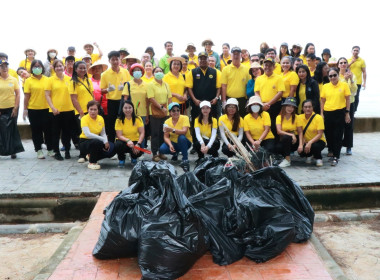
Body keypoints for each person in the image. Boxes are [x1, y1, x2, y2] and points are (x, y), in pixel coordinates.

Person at [45, 60, 75, 160]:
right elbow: (47, 95)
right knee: (55, 133)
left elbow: (73, 95)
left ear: (64, 67)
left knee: (67, 132)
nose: (59, 68)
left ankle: (67, 150)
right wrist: (52, 107)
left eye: (61, 66)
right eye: (57, 66)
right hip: (55, 111)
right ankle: (56, 152)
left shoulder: (69, 79)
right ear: (53, 68)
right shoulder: (50, 80)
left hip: (69, 109)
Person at [23, 60, 53, 158]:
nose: (37, 68)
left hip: (46, 109)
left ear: (42, 68)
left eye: (39, 66)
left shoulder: (47, 79)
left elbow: (51, 94)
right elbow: (26, 96)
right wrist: (25, 109)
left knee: (48, 130)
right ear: (31, 68)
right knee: (36, 131)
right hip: (33, 109)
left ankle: (50, 149)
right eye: (35, 66)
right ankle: (38, 150)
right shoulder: (28, 80)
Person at [320, 68, 351, 166]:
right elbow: (322, 101)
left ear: (338, 75)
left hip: (340, 112)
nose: (333, 77)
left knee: (338, 135)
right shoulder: (325, 86)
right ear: (328, 77)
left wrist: (347, 113)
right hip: (328, 113)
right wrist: (322, 113)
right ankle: (332, 151)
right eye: (330, 76)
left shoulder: (344, 85)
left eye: (334, 75)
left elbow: (348, 99)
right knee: (329, 135)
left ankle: (336, 156)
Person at [100, 51, 131, 143]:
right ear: (109, 61)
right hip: (112, 101)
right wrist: (108, 89)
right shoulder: (105, 74)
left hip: (124, 100)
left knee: (125, 122)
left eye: (116, 59)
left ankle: (125, 144)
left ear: (120, 60)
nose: (115, 61)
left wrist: (125, 88)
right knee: (112, 124)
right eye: (112, 59)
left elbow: (129, 86)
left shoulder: (125, 72)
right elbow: (102, 90)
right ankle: (112, 146)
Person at [254, 57, 285, 138]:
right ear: (263, 66)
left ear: (274, 66)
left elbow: (280, 92)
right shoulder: (259, 78)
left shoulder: (279, 78)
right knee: (263, 124)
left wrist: (268, 104)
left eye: (270, 65)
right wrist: (261, 103)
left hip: (275, 105)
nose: (267, 67)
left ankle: (275, 143)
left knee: (274, 124)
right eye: (265, 65)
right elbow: (256, 92)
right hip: (262, 105)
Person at [79, 100, 113, 170]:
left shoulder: (100, 118)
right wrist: (103, 140)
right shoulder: (84, 119)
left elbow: (103, 133)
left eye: (95, 109)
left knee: (112, 147)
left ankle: (91, 155)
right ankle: (92, 162)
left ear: (98, 110)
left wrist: (106, 142)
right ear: (88, 110)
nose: (93, 111)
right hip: (85, 142)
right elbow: (88, 134)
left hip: (97, 140)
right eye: (91, 109)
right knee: (97, 142)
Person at [0, 60, 24, 158]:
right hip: (1, 108)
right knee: (1, 130)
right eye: (2, 66)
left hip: (12, 107)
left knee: (12, 129)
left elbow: (18, 94)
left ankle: (13, 150)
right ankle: (2, 150)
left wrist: (16, 107)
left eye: (6, 66)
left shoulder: (13, 79)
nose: (4, 68)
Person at [187, 52, 221, 121]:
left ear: (208, 60)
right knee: (196, 122)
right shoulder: (192, 72)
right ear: (198, 60)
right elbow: (189, 88)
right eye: (200, 59)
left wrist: (216, 98)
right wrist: (194, 100)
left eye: (205, 59)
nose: (203, 60)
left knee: (212, 123)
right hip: (197, 103)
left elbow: (218, 87)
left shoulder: (215, 72)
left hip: (211, 103)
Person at [147, 67, 172, 161]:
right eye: (156, 72)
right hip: (155, 111)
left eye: (160, 71)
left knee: (163, 132)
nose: (159, 73)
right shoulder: (150, 84)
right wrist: (161, 108)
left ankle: (161, 152)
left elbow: (169, 98)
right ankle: (154, 153)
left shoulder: (166, 84)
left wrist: (170, 109)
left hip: (165, 111)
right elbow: (151, 98)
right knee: (155, 133)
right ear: (153, 74)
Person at [122, 63, 149, 147]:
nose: (137, 72)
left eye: (139, 70)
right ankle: (131, 150)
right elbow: (125, 99)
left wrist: (147, 115)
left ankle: (141, 150)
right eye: (135, 70)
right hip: (130, 113)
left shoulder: (146, 85)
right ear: (132, 73)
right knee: (132, 132)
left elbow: (148, 101)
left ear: (142, 72)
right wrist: (125, 112)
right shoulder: (128, 84)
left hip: (143, 113)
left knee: (142, 132)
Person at [159, 102, 192, 171]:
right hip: (173, 142)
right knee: (162, 149)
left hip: (186, 141)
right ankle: (175, 153)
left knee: (181, 137)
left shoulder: (185, 118)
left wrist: (172, 130)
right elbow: (166, 137)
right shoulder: (167, 122)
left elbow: (184, 131)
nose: (176, 112)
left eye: (178, 110)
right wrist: (170, 145)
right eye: (173, 110)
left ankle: (185, 159)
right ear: (170, 113)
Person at [69, 61, 94, 147]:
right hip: (81, 111)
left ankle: (91, 152)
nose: (83, 70)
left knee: (92, 132)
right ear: (75, 69)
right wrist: (81, 112)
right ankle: (83, 154)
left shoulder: (88, 80)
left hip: (91, 111)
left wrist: (95, 108)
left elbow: (92, 95)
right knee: (83, 133)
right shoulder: (73, 82)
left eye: (84, 68)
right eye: (80, 68)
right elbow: (74, 99)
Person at [221, 47, 250, 117]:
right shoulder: (225, 69)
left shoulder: (246, 69)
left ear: (241, 56)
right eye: (234, 54)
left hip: (242, 100)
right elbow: (223, 86)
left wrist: (248, 100)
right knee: (229, 121)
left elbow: (248, 85)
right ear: (231, 55)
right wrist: (224, 101)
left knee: (241, 121)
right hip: (229, 99)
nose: (236, 56)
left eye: (238, 54)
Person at [115, 100, 144, 167]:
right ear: (122, 109)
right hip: (123, 141)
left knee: (140, 150)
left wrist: (138, 144)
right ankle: (121, 159)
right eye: (125, 108)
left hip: (135, 141)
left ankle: (134, 158)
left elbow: (142, 133)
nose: (128, 110)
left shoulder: (138, 119)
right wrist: (128, 140)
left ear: (133, 108)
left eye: (130, 107)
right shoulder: (118, 120)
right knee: (118, 145)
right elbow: (119, 135)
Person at [337, 57, 357, 155]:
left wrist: (351, 80)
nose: (343, 64)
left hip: (350, 103)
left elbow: (354, 91)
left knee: (349, 125)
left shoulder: (352, 76)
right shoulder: (336, 76)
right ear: (338, 65)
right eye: (341, 62)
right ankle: (338, 145)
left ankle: (348, 147)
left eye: (345, 62)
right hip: (339, 104)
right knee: (339, 126)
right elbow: (338, 90)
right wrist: (345, 80)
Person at [275, 97, 303, 167]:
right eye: (288, 106)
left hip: (295, 141)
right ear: (284, 106)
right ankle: (286, 158)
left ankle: (287, 159)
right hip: (284, 139)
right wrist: (291, 135)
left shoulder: (297, 117)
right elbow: (279, 131)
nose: (290, 108)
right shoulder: (279, 117)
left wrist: (300, 144)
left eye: (292, 107)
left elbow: (300, 132)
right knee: (281, 143)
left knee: (287, 137)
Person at [298, 100, 326, 167]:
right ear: (302, 108)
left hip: (318, 141)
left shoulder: (318, 118)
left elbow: (320, 134)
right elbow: (299, 132)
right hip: (305, 141)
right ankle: (309, 155)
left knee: (315, 146)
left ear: (312, 108)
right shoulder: (299, 117)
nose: (307, 109)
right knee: (301, 151)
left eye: (309, 107)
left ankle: (318, 158)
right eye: (305, 107)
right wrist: (301, 143)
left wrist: (310, 142)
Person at [348, 46, 366, 112]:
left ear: (359, 52)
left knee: (356, 97)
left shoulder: (362, 61)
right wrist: (351, 62)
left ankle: (354, 112)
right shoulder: (348, 60)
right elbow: (343, 68)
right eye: (354, 50)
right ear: (351, 51)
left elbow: (364, 72)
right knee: (349, 97)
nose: (355, 52)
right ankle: (348, 111)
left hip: (358, 82)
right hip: (349, 81)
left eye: (357, 50)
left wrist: (364, 83)